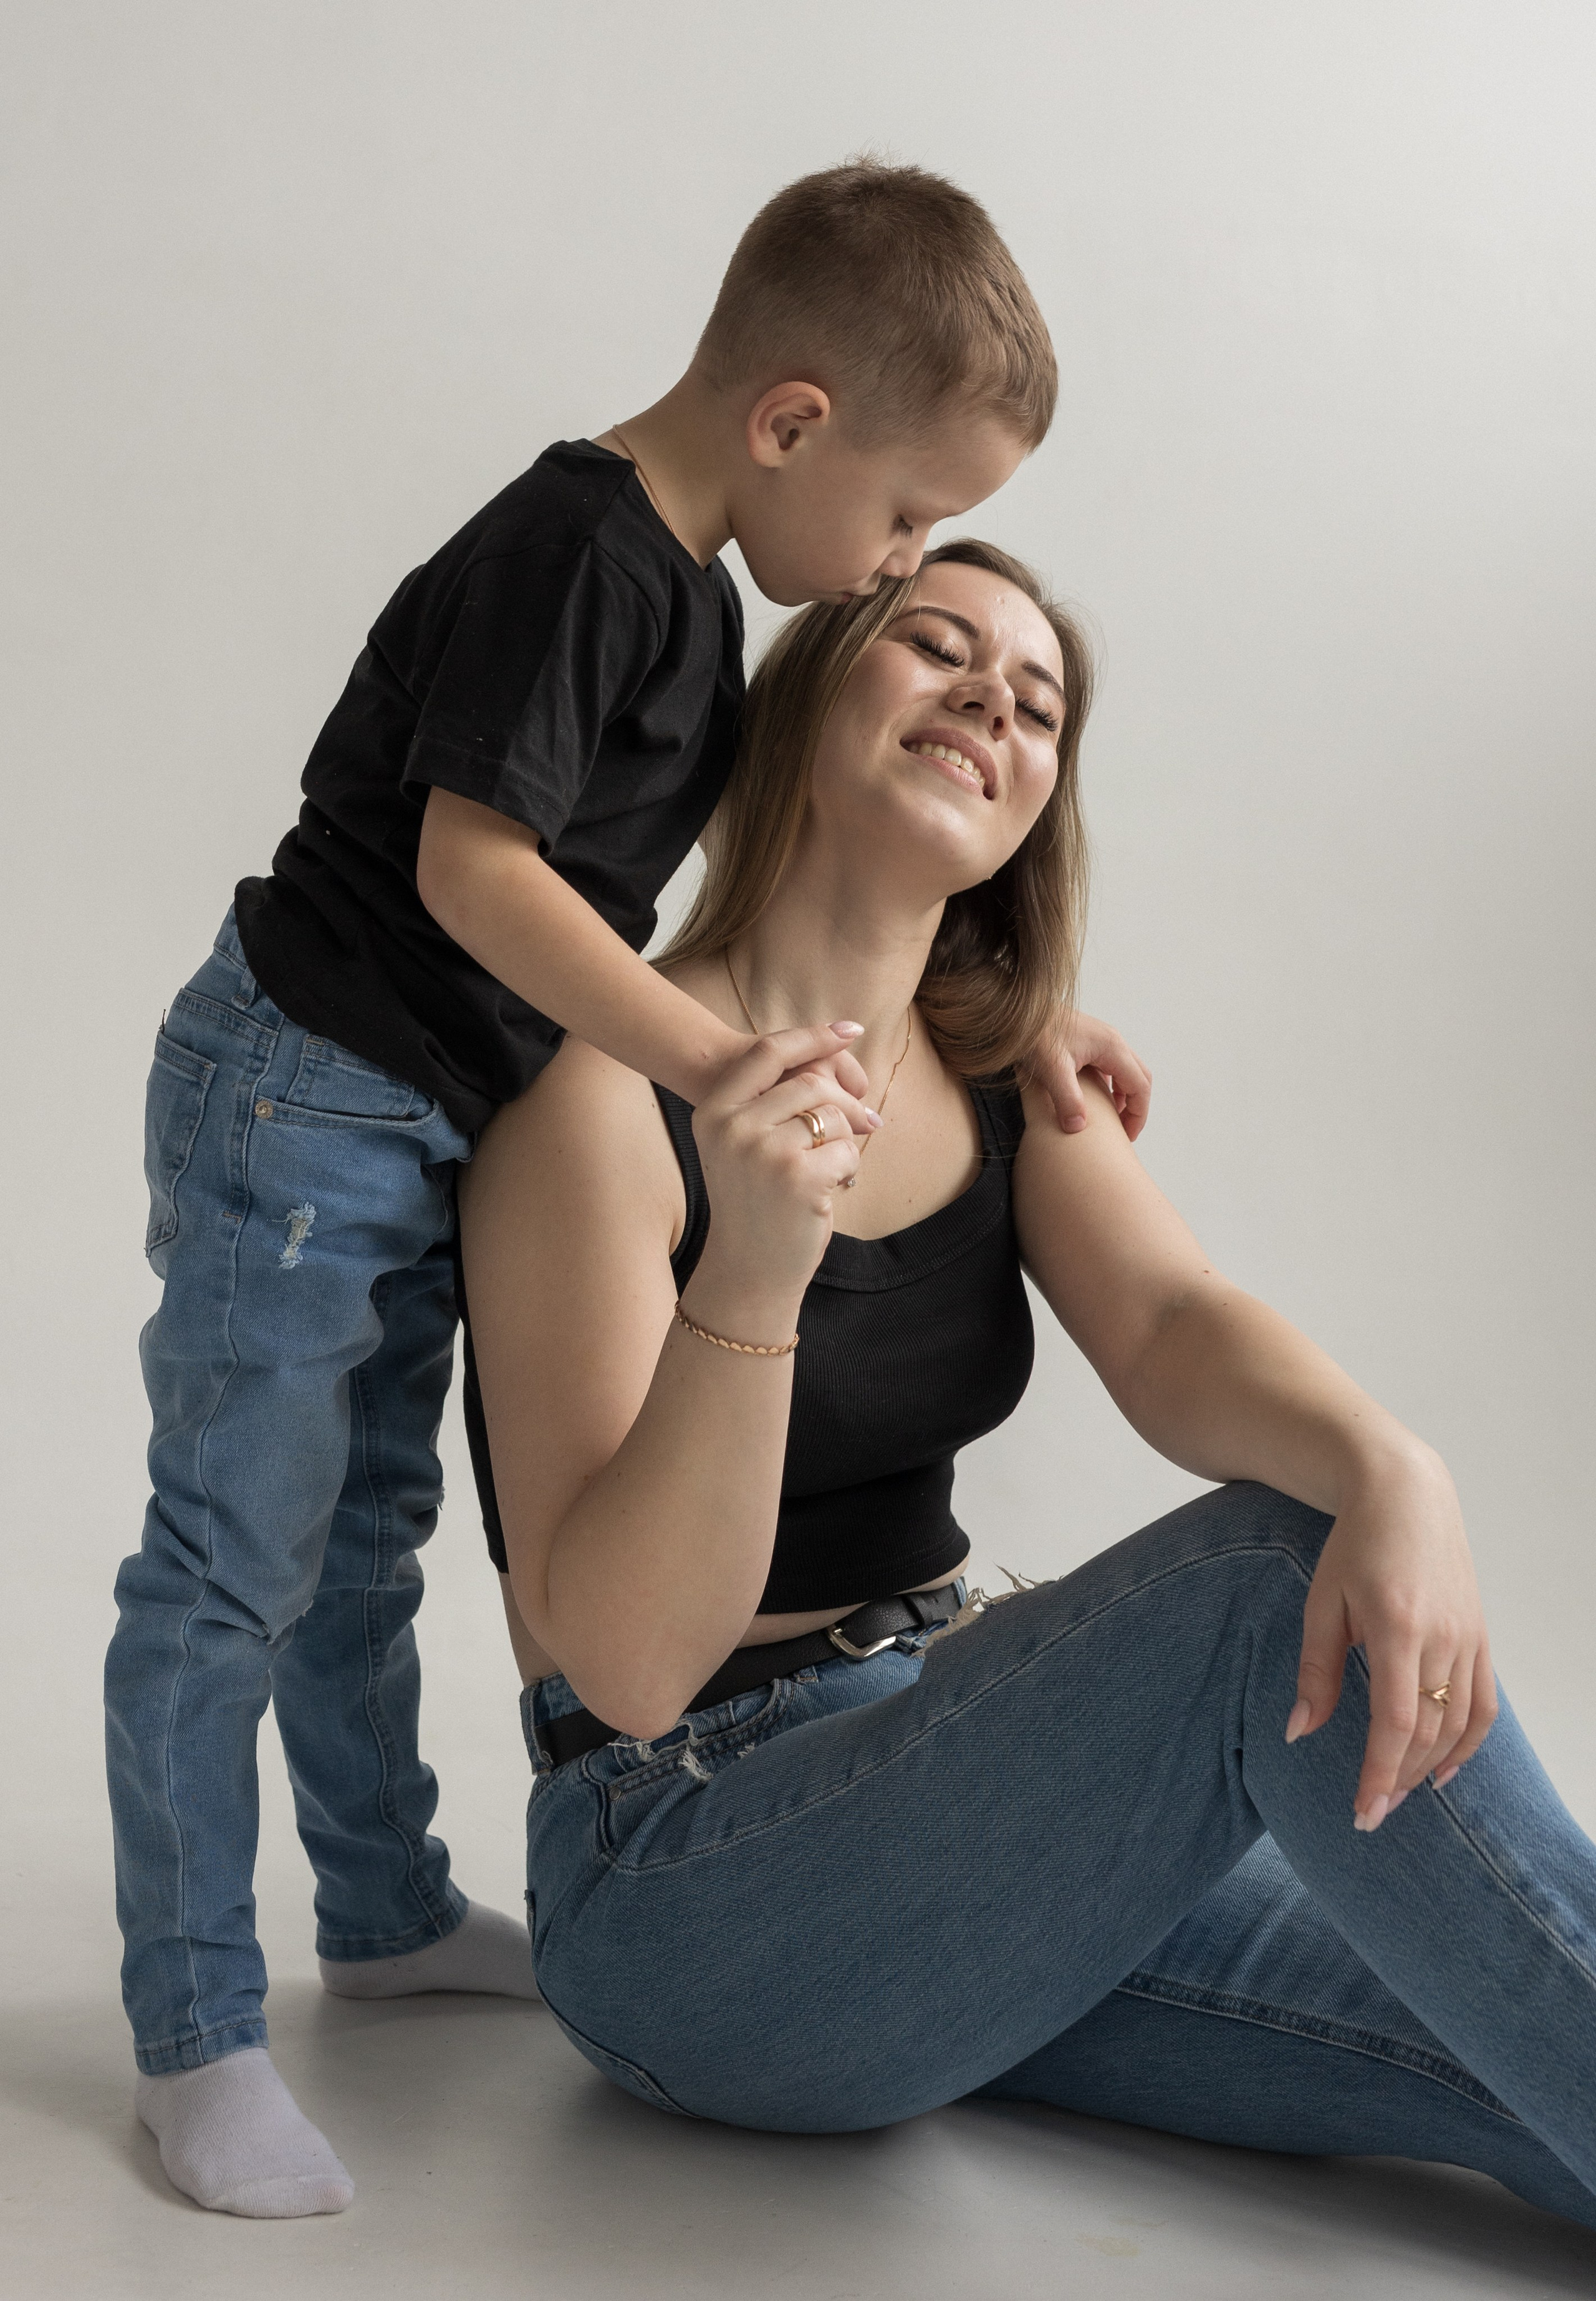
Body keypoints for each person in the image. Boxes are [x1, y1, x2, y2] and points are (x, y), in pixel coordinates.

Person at [108, 161, 1155, 2221]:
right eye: (906, 518)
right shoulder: (582, 552)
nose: (899, 560)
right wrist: (709, 1064)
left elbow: (811, 869)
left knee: (367, 1537)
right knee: (234, 1559)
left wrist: (1019, 1016)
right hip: (303, 1090)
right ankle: (191, 2027)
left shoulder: (685, 595)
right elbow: (471, 872)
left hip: (417, 1105)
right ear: (791, 422)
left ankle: (381, 1907)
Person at [459, 537, 1596, 2234]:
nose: (994, 696)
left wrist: (1394, 1462)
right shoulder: (602, 1106)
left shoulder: (1000, 1074)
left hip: (955, 1794)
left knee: (1514, 2040)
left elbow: (1175, 1324)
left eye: (1040, 703)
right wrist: (754, 1271)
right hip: (681, 1878)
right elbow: (627, 1669)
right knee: (1268, 1576)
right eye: (938, 646)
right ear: (806, 698)